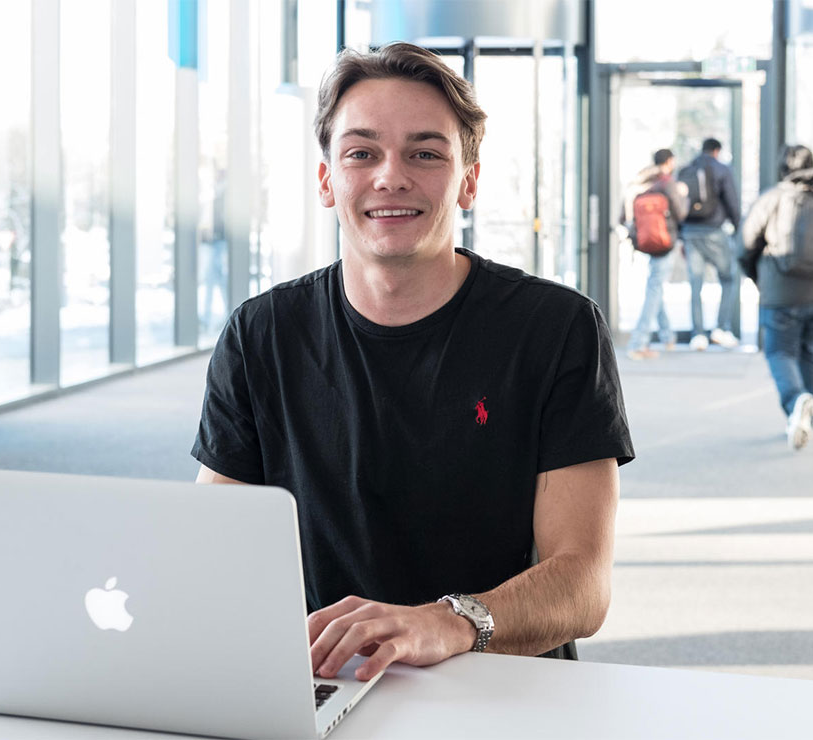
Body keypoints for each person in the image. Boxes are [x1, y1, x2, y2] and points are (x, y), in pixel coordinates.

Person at [192, 42, 634, 682]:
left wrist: (446, 623)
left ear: (469, 181)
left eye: (425, 154)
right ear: (327, 180)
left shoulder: (555, 328)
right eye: (361, 153)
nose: (390, 176)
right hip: (324, 681)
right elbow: (211, 546)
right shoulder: (260, 334)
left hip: (501, 688)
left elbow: (583, 586)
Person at [739, 145, 813, 451]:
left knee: (779, 352)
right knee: (810, 351)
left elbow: (745, 245)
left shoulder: (773, 198)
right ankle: (803, 415)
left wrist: (758, 278)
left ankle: (797, 402)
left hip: (782, 290)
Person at [622, 149, 690, 360]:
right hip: (665, 242)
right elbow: (681, 213)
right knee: (654, 289)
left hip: (644, 242)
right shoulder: (667, 183)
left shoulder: (639, 182)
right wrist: (684, 196)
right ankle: (638, 343)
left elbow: (621, 215)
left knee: (655, 285)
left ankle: (667, 336)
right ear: (669, 162)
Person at [679, 138, 741, 351]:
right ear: (716, 151)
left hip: (690, 233)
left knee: (696, 283)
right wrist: (738, 226)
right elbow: (732, 201)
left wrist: (681, 233)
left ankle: (698, 335)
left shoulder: (686, 169)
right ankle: (721, 328)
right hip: (713, 231)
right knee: (729, 278)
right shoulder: (721, 169)